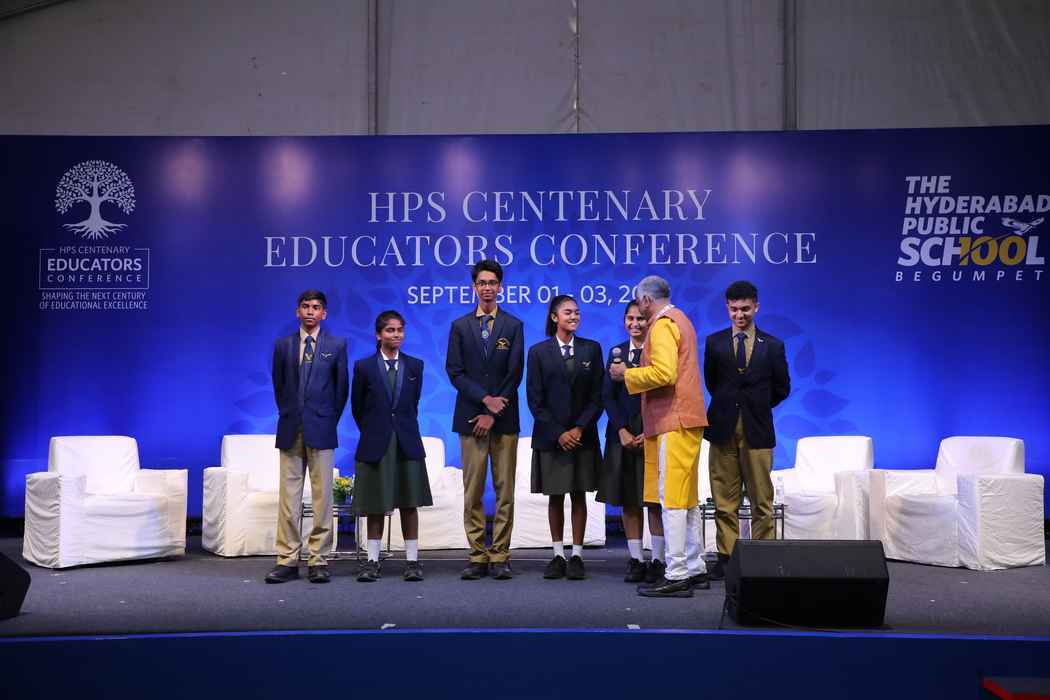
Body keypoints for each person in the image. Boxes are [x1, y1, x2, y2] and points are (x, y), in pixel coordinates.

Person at [609, 275, 709, 597]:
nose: (639, 309)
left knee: (672, 500)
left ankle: (676, 572)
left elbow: (664, 373)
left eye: (639, 303)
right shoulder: (682, 319)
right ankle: (695, 567)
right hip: (686, 419)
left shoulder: (663, 325)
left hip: (673, 420)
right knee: (687, 499)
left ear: (647, 300)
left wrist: (627, 373)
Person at [703, 280, 790, 580]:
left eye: (745, 309)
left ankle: (763, 557)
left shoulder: (773, 345)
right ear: (727, 308)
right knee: (723, 500)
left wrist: (757, 405)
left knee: (761, 500)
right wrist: (732, 405)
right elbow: (712, 383)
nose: (739, 314)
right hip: (722, 427)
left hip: (758, 428)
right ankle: (726, 557)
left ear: (756, 307)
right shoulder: (714, 343)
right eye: (734, 309)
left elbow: (782, 387)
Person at [445, 260, 525, 580]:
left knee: (505, 491)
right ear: (474, 287)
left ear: (500, 287)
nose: (488, 287)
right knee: (473, 491)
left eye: (493, 282)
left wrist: (493, 411)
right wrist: (484, 400)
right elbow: (455, 372)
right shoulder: (460, 326)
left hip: (504, 420)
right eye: (482, 282)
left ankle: (501, 555)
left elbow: (514, 373)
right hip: (470, 419)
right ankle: (477, 554)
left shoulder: (513, 325)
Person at [266, 290, 349, 584]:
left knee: (322, 497)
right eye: (305, 306)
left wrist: (326, 420)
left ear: (324, 313)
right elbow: (279, 387)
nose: (310, 311)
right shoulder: (283, 346)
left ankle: (318, 559)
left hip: (322, 428)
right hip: (291, 428)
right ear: (297, 311)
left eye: (316, 307)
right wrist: (291, 413)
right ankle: (287, 560)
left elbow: (341, 390)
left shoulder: (337, 345)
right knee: (288, 498)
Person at [350, 310, 433, 582]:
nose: (396, 335)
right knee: (375, 503)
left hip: (407, 441)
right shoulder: (364, 367)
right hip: (376, 443)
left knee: (409, 503)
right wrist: (376, 430)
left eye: (399, 330)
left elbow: (412, 405)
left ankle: (412, 561)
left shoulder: (415, 366)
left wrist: (399, 427)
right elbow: (358, 408)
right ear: (378, 334)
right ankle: (372, 562)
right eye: (390, 330)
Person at [526, 295, 604, 580]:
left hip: (583, 436)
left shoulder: (592, 349)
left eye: (577, 312)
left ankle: (577, 556)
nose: (574, 317)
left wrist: (579, 428)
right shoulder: (538, 352)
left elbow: (598, 395)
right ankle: (558, 555)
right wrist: (559, 433)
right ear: (554, 317)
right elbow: (535, 400)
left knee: (579, 494)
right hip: (551, 437)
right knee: (555, 495)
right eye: (568, 312)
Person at [596, 300, 666, 584]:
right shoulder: (616, 352)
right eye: (630, 319)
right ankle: (636, 560)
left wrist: (649, 431)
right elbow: (607, 396)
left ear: (649, 321)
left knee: (654, 501)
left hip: (652, 432)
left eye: (640, 319)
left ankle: (658, 560)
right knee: (628, 500)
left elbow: (663, 395)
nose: (635, 324)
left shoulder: (658, 352)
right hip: (621, 435)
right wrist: (622, 430)